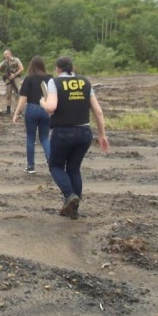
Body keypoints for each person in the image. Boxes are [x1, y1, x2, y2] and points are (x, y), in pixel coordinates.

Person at [41, 56, 109, 219]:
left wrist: (42, 102)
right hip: (84, 133)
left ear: (58, 69)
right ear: (73, 68)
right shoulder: (85, 82)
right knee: (73, 169)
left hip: (63, 132)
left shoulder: (54, 82)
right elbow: (98, 111)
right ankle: (74, 211)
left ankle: (70, 195)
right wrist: (102, 135)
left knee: (55, 165)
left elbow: (51, 107)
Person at [12, 56, 53, 174]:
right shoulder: (50, 78)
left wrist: (16, 113)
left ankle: (30, 166)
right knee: (45, 138)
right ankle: (51, 163)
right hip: (46, 109)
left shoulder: (29, 78)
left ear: (31, 66)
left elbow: (23, 98)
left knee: (30, 137)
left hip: (32, 109)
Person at [0, 49, 24, 115]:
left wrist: (14, 75)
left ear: (9, 54)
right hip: (8, 80)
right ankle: (8, 110)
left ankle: (19, 110)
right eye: (4, 54)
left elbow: (21, 68)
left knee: (18, 94)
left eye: (5, 54)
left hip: (16, 79)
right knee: (8, 95)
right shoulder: (4, 62)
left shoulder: (16, 60)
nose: (4, 55)